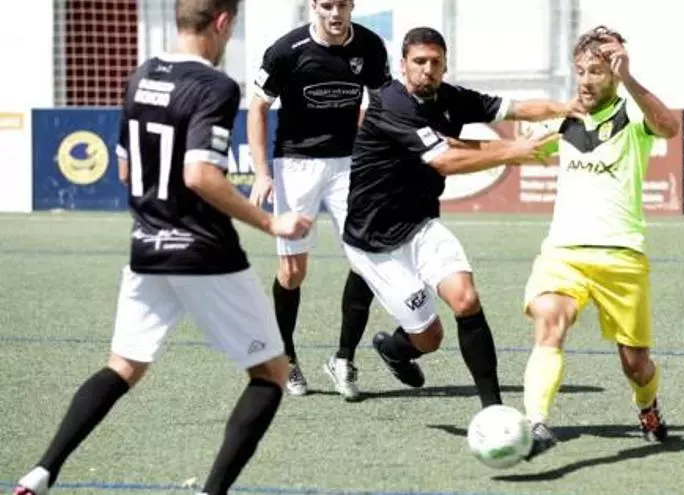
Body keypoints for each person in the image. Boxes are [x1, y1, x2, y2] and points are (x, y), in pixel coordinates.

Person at [12, 2, 312, 494]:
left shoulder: (140, 76)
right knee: (271, 372)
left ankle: (40, 472)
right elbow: (200, 175)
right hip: (204, 252)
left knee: (124, 366)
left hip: (147, 248)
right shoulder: (216, 86)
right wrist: (271, 222)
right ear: (222, 22)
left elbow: (125, 170)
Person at [342, 26, 582, 410]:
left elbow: (515, 108)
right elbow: (445, 160)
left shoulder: (450, 98)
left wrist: (564, 107)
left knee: (466, 299)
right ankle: (395, 349)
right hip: (374, 241)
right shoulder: (390, 103)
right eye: (419, 61)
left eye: (435, 62)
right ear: (403, 65)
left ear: (445, 64)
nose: (427, 69)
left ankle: (494, 410)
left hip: (421, 224)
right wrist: (512, 151)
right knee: (429, 338)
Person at [518, 26, 681, 459]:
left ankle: (647, 406)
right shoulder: (564, 120)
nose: (586, 80)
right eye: (581, 70)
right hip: (564, 252)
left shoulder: (634, 115)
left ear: (613, 75)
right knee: (550, 322)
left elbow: (670, 128)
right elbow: (518, 151)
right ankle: (535, 424)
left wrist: (629, 77)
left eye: (597, 71)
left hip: (621, 255)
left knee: (636, 365)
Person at [248, 0, 390, 401]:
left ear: (352, 5)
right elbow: (258, 107)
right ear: (313, 5)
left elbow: (383, 104)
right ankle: (286, 358)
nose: (335, 13)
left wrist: (379, 153)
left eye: (342, 4)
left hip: (349, 164)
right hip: (296, 165)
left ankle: (344, 359)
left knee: (367, 261)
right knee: (292, 272)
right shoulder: (285, 51)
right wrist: (262, 171)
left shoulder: (370, 46)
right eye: (326, 4)